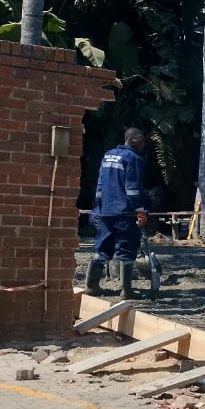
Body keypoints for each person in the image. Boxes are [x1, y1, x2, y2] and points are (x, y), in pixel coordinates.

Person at [84, 128, 148, 299]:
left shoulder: (108, 155)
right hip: (124, 212)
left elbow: (100, 184)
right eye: (142, 140)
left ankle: (91, 286)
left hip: (106, 211)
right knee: (127, 249)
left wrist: (101, 205)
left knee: (103, 247)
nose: (143, 144)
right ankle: (126, 290)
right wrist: (140, 211)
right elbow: (132, 189)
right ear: (132, 139)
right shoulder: (133, 158)